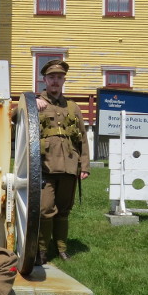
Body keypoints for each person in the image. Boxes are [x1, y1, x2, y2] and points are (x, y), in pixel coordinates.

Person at [35, 59, 90, 264]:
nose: (55, 81)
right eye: (51, 78)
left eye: (59, 78)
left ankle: (61, 249)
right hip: (45, 165)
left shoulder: (73, 107)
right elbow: (15, 116)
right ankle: (41, 250)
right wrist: (31, 101)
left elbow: (82, 137)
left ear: (63, 80)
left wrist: (84, 166)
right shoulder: (37, 102)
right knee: (45, 209)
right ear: (45, 80)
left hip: (68, 164)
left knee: (64, 209)